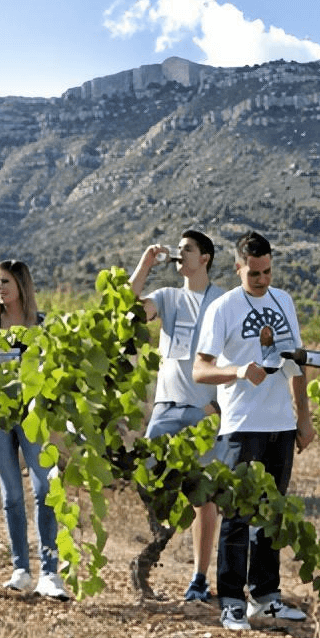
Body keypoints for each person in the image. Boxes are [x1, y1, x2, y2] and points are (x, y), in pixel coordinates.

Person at [193, 231, 314, 630]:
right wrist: (237, 371)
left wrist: (304, 417)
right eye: (254, 273)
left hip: (281, 424)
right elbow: (200, 369)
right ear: (238, 267)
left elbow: (296, 363)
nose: (262, 280)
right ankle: (230, 600)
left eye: (267, 272)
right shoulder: (224, 308)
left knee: (272, 517)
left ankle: (266, 597)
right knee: (236, 516)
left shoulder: (285, 302)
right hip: (241, 427)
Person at [129, 230, 225, 602]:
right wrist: (145, 265)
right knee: (148, 477)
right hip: (166, 409)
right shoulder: (167, 298)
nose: (180, 255)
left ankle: (199, 578)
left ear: (205, 258)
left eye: (188, 250)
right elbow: (128, 310)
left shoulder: (223, 301)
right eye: (179, 250)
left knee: (206, 496)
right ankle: (156, 544)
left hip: (206, 412)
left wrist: (214, 409)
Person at [0, 260, 71, 600]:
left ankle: (50, 573)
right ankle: (20, 569)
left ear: (21, 285)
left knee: (45, 488)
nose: (0, 288)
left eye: (6, 282)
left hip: (35, 418)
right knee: (12, 494)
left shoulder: (43, 326)